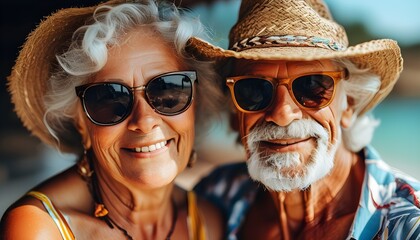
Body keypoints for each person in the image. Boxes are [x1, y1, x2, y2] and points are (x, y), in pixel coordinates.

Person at [188, 0, 420, 239]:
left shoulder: (409, 225)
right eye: (254, 90)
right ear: (236, 113)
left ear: (348, 104)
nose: (282, 115)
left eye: (311, 87)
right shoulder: (215, 195)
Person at [0, 0, 224, 239]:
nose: (145, 120)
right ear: (80, 123)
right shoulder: (39, 228)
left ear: (195, 105)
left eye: (167, 92)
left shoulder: (205, 220)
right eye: (111, 100)